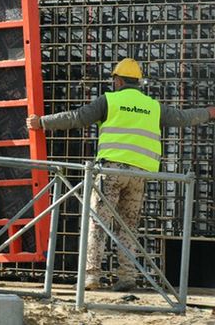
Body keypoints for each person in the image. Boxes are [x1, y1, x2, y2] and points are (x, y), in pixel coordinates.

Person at [27, 58, 214, 291]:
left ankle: (91, 277)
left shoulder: (109, 101)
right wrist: (209, 111)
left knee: (98, 223)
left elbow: (77, 118)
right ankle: (127, 277)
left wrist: (42, 123)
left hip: (111, 171)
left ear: (118, 80)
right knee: (128, 227)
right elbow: (183, 118)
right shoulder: (153, 107)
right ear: (139, 82)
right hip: (139, 174)